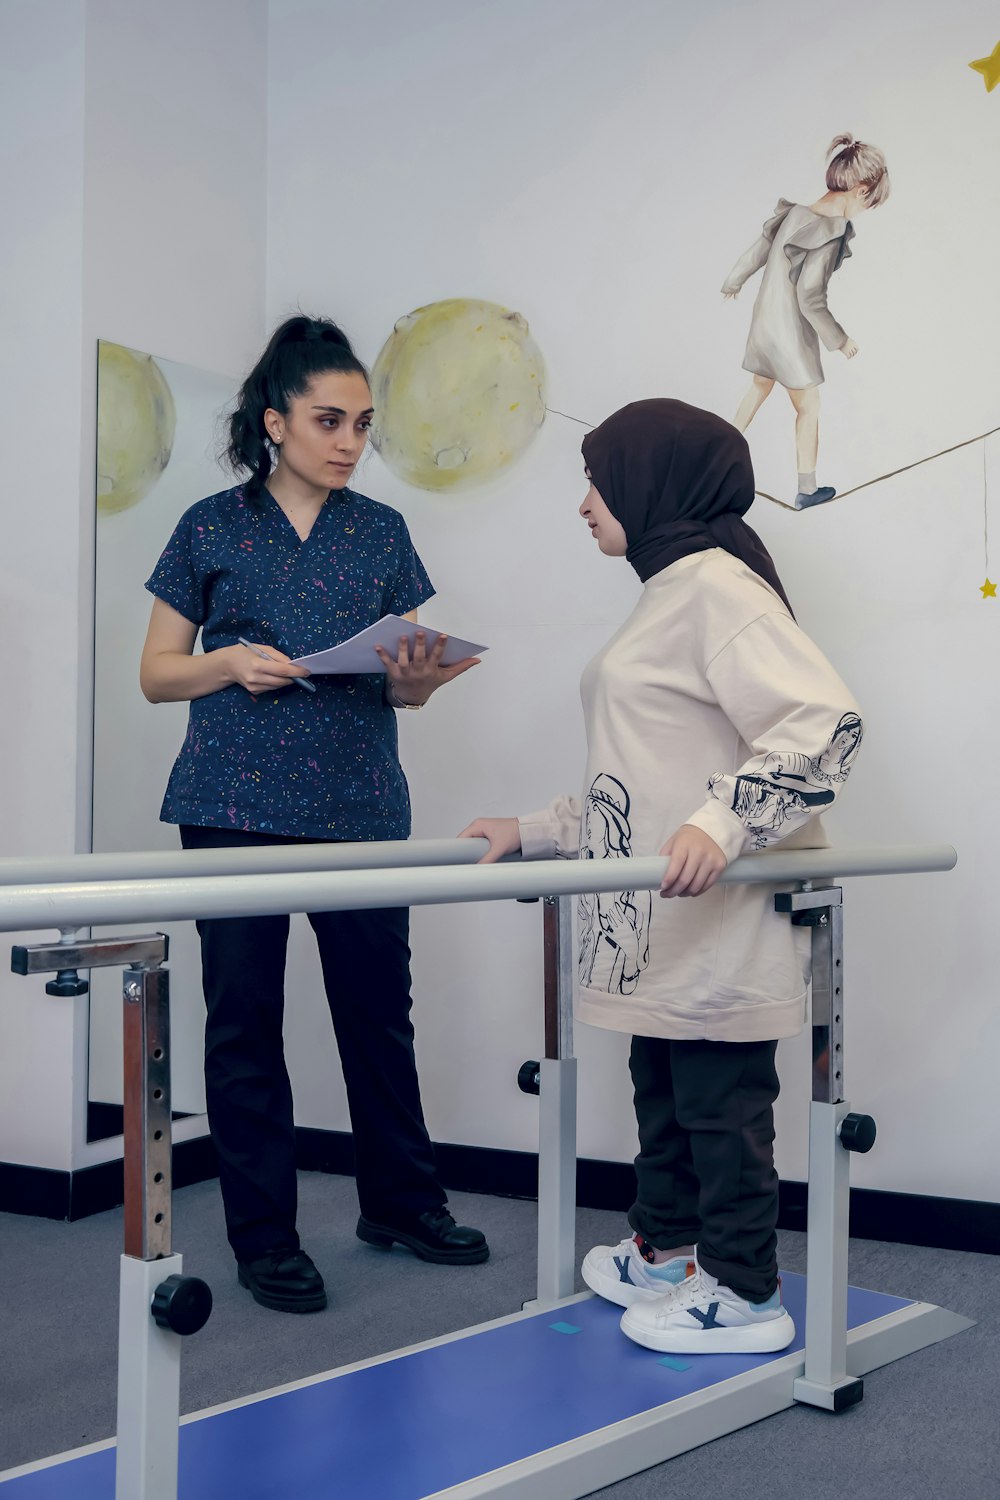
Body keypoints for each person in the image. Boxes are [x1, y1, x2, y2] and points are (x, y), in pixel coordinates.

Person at [461, 398, 863, 1355]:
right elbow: (636, 776)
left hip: (717, 909)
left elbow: (826, 726)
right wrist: (534, 828)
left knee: (722, 1106)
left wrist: (722, 821)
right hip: (659, 917)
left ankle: (744, 1292)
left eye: (598, 477)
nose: (585, 502)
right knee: (664, 1091)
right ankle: (672, 1253)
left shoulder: (718, 589)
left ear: (652, 479)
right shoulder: (668, 589)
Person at [140, 315, 487, 1314]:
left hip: (360, 802)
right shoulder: (209, 525)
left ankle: (402, 1203)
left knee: (377, 1016)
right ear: (274, 421)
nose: (348, 441)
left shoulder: (382, 533)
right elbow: (156, 675)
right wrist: (225, 661)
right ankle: (265, 1237)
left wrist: (422, 679)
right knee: (246, 1024)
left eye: (362, 424)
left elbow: (406, 685)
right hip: (230, 804)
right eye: (328, 419)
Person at [723, 133, 890, 510]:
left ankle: (715, 449)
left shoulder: (794, 213)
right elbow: (810, 297)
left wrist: (733, 281)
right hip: (789, 334)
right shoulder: (830, 231)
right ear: (861, 190)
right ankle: (806, 489)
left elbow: (759, 251)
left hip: (764, 323)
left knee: (758, 389)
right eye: (869, 203)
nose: (864, 212)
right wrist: (839, 338)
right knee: (809, 406)